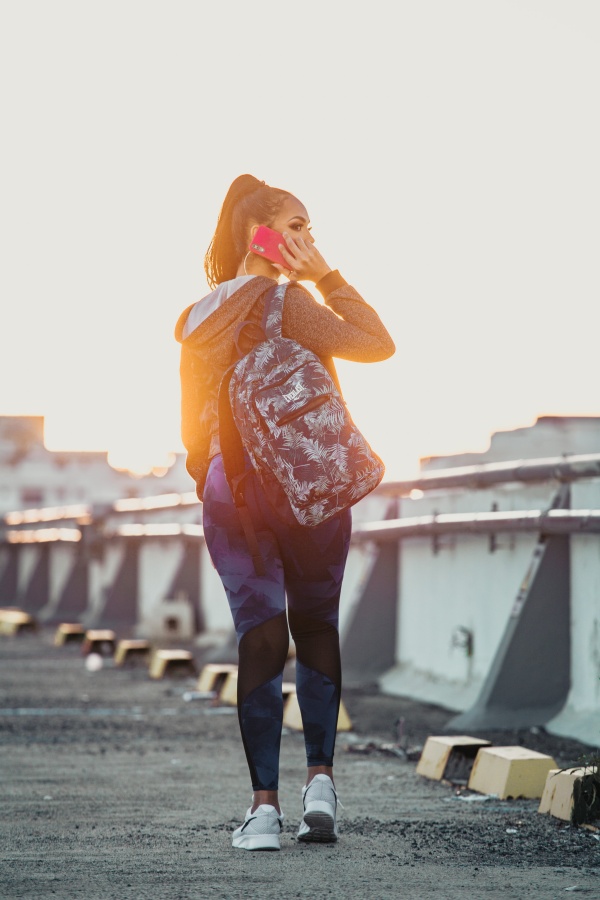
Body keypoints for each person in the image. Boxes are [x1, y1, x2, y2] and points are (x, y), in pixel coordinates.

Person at [175, 174, 395, 851]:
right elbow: (374, 343)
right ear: (257, 232)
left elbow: (190, 429)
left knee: (259, 633)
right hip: (309, 478)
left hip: (228, 486)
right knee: (316, 622)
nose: (306, 241)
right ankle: (320, 787)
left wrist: (217, 481)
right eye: (295, 228)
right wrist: (325, 273)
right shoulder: (289, 301)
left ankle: (263, 812)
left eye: (310, 231)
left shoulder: (196, 317)